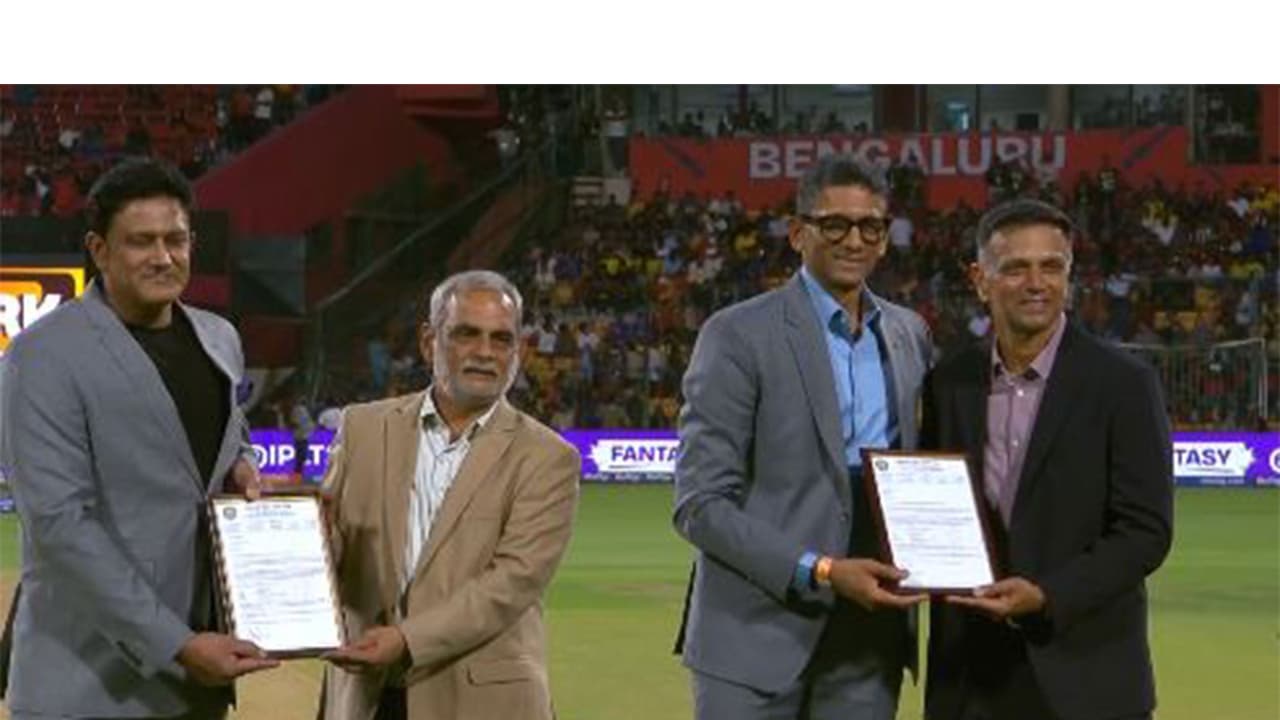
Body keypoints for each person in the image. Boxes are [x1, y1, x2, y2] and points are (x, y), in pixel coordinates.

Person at [0, 158, 276, 718]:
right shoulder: (41, 356)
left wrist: (241, 463)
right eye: (141, 241)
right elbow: (59, 526)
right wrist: (176, 644)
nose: (163, 256)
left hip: (199, 676)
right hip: (85, 682)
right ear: (99, 250)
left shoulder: (219, 337)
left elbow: (228, 430)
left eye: (176, 239)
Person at [672, 153, 934, 720]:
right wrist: (820, 569)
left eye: (870, 226)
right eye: (834, 224)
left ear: (885, 237)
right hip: (753, 633)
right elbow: (700, 504)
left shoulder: (909, 333)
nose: (854, 240)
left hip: (870, 635)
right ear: (797, 233)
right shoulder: (737, 334)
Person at [921, 198, 1173, 720]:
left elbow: (1146, 532)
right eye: (1016, 268)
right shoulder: (949, 382)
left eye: (1052, 267)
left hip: (1088, 680)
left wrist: (1047, 596)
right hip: (971, 681)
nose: (1037, 283)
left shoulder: (1123, 383)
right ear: (980, 280)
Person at [319, 270, 580, 720]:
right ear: (429, 341)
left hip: (483, 702)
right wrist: (306, 540)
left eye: (501, 339)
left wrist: (406, 640)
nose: (485, 352)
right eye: (466, 334)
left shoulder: (548, 457)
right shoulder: (362, 427)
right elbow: (335, 547)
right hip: (366, 695)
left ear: (517, 352)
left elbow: (511, 582)